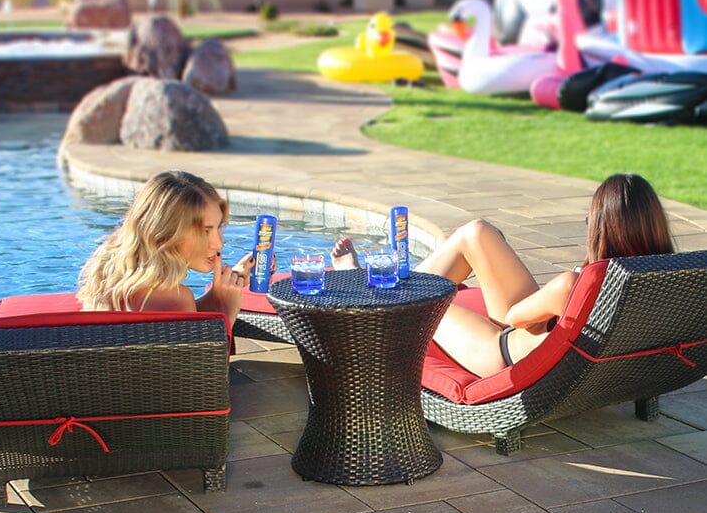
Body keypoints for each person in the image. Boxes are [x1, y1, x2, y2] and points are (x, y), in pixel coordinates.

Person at [332, 173, 674, 377]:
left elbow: (515, 317)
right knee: (476, 233)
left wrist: (553, 296)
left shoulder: (574, 286)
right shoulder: (669, 278)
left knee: (419, 299)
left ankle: (364, 287)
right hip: (558, 353)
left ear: (600, 229)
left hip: (500, 355)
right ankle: (387, 279)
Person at [77, 170, 252, 325]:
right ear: (168, 232)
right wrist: (226, 311)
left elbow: (169, 323)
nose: (218, 243)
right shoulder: (174, 299)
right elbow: (202, 360)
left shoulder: (115, 272)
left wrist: (216, 296)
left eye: (219, 227)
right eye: (205, 231)